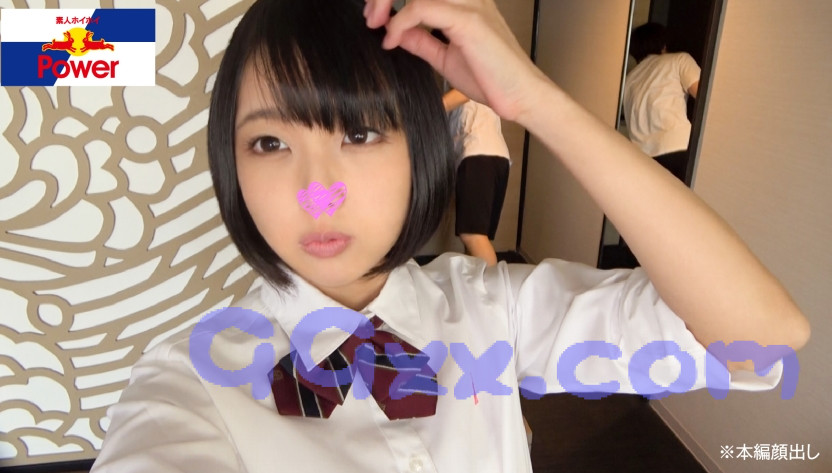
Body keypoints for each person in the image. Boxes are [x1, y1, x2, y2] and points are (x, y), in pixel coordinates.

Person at [91, 0, 809, 471]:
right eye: (270, 144)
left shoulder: (493, 307)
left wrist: (539, 101)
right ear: (231, 165)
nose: (317, 191)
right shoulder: (187, 388)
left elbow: (762, 338)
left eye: (360, 133)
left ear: (422, 147)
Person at [622, 22, 701, 182]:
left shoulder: (629, 79)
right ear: (663, 45)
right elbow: (704, 97)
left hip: (643, 158)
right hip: (677, 145)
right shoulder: (679, 60)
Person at [444, 88, 511, 266]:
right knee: (476, 236)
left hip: (479, 154)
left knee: (472, 235)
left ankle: (491, 284)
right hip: (493, 156)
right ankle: (476, 281)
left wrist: (434, 107)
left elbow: (471, 87)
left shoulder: (468, 78)